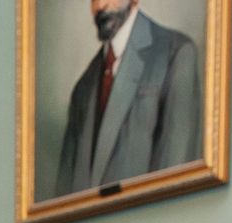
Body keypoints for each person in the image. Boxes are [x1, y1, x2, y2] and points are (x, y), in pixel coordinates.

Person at [55, 0, 202, 198]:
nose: (100, 6)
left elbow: (176, 179)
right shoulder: (83, 88)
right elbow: (64, 195)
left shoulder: (176, 54)